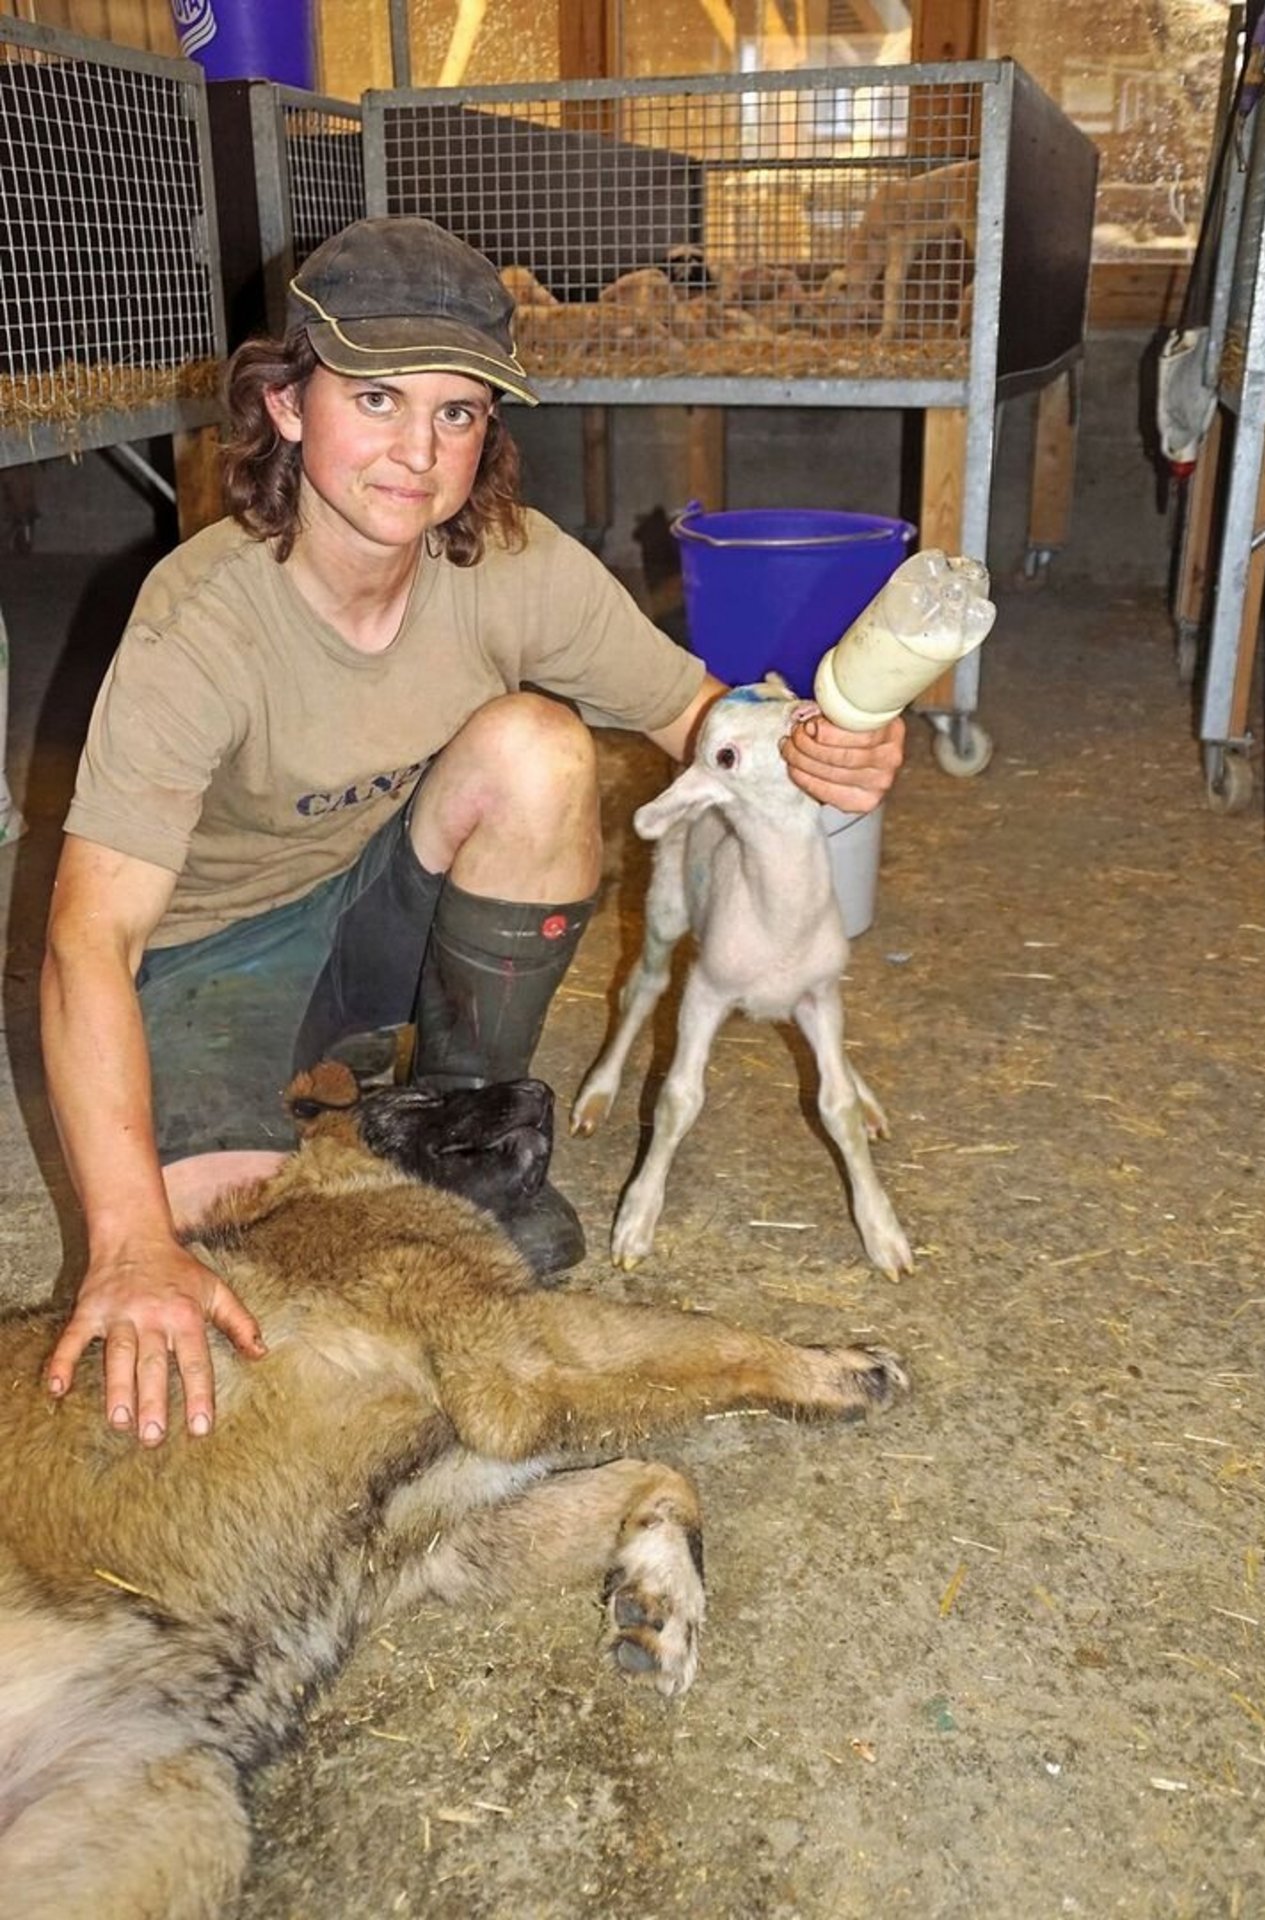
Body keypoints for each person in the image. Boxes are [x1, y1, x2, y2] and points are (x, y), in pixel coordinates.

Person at [40, 217, 905, 1448]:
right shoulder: (200, 624)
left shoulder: (509, 564)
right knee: (244, 1254)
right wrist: (124, 1243)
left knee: (540, 747)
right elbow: (87, 940)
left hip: (377, 901)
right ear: (287, 404)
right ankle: (282, 1095)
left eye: (456, 413)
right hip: (207, 948)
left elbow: (697, 711)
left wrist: (832, 741)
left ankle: (460, 1125)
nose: (416, 451)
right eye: (378, 397)